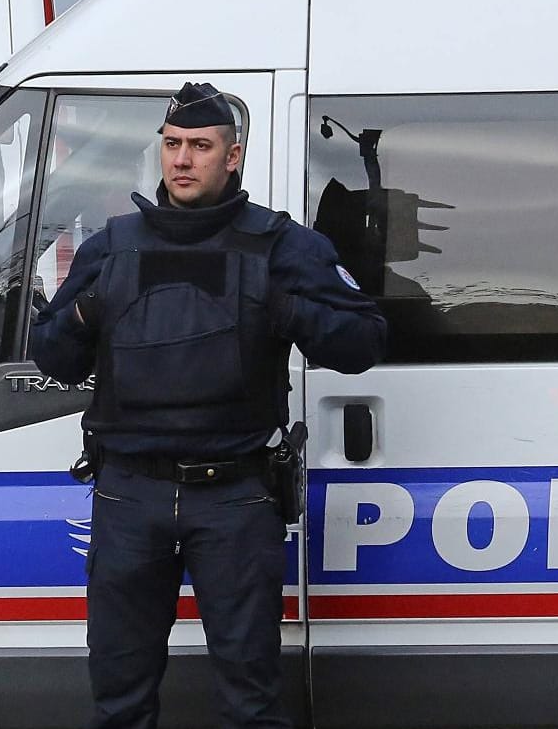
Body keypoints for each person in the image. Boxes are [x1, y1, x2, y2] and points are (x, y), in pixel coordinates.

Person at [29, 82, 388, 729]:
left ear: (233, 156)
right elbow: (52, 356)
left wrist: (285, 308)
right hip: (129, 496)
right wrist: (86, 307)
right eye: (172, 144)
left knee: (250, 701)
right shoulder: (113, 246)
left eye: (200, 145)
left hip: (234, 499)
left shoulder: (277, 247)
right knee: (118, 700)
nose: (183, 159)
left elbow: (364, 338)